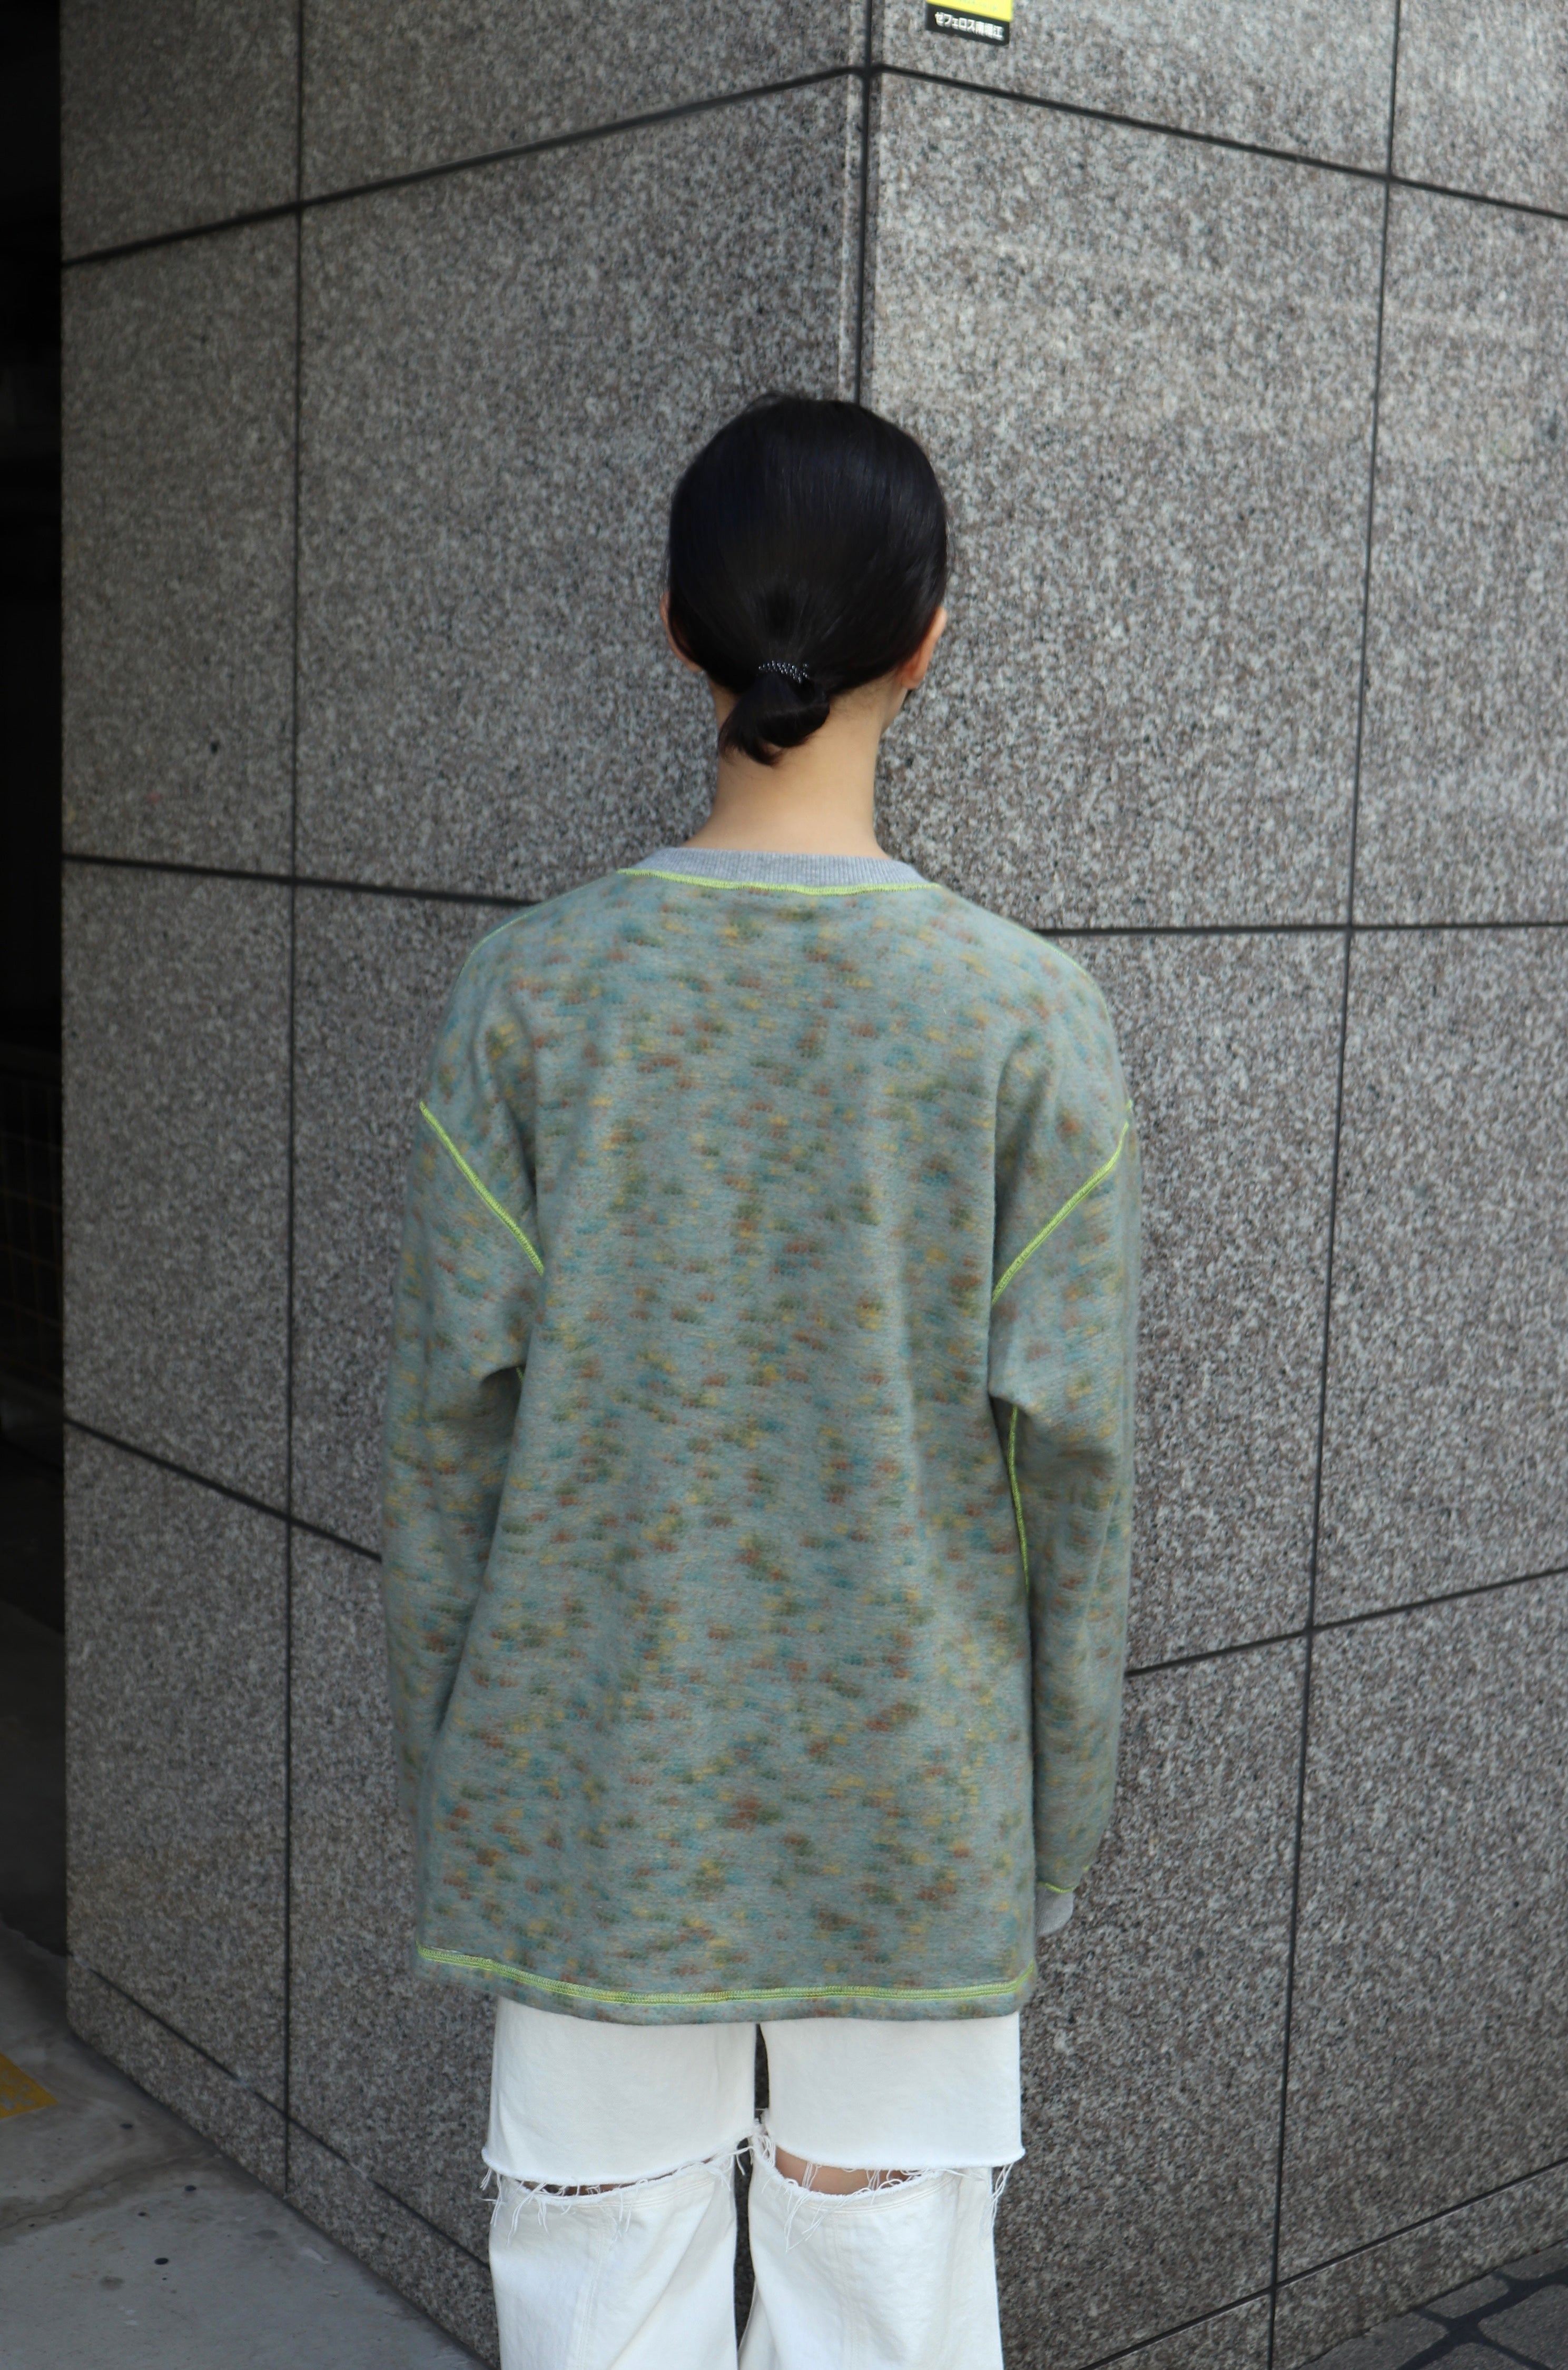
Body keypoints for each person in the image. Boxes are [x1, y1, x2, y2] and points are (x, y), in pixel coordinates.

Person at [380, 394, 1139, 2370]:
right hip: (914, 1812)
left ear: (674, 626)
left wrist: (463, 1776)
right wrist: (1047, 1831)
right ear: (931, 637)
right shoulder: (1023, 1017)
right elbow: (1072, 1474)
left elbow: (449, 1444)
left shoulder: (531, 995)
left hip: (593, 1796)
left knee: (603, 2311)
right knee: (890, 2315)